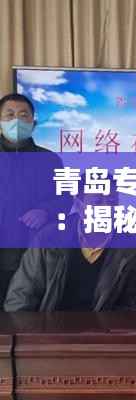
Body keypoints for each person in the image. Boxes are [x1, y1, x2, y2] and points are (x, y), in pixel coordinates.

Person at [4, 177, 136, 312]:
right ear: (79, 205)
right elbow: (20, 298)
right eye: (97, 202)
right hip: (48, 327)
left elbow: (132, 305)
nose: (107, 208)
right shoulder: (48, 239)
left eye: (112, 201)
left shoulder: (132, 248)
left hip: (103, 329)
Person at [0, 93, 71, 308]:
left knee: (24, 316)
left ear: (34, 122)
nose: (16, 121)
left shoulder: (50, 160)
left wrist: (46, 211)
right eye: (9, 115)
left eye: (23, 115)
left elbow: (65, 199)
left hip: (33, 256)